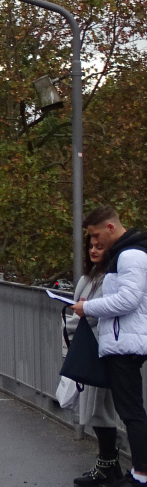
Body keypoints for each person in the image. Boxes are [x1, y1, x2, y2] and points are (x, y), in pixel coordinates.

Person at [73, 206, 147, 486]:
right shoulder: (126, 253)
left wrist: (87, 308)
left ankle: (140, 475)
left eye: (96, 235)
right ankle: (135, 472)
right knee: (130, 411)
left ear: (111, 228)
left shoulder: (129, 255)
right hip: (122, 341)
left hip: (125, 344)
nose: (94, 242)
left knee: (132, 413)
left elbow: (128, 300)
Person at [70, 234, 123, 485]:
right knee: (94, 410)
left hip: (101, 348)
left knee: (101, 409)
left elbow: (93, 312)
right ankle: (108, 464)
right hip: (87, 346)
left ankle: (108, 466)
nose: (93, 250)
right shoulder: (88, 277)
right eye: (91, 246)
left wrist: (73, 320)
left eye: (99, 247)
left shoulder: (109, 279)